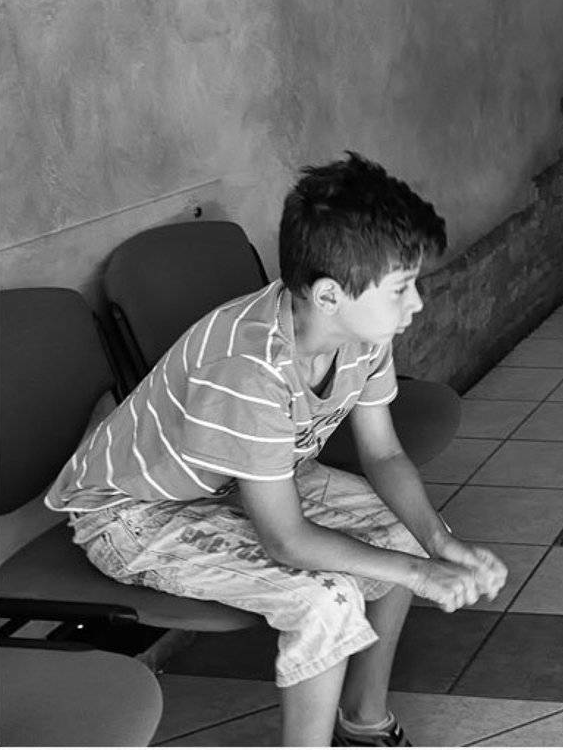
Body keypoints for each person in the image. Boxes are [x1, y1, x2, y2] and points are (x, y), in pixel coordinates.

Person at [45, 154, 507, 746]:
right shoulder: (248, 366)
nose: (415, 303)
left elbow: (385, 455)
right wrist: (420, 573)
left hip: (246, 477)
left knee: (404, 535)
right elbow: (285, 540)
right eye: (400, 289)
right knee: (327, 598)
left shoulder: (361, 332)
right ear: (330, 295)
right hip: (134, 512)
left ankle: (363, 720)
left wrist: (439, 546)